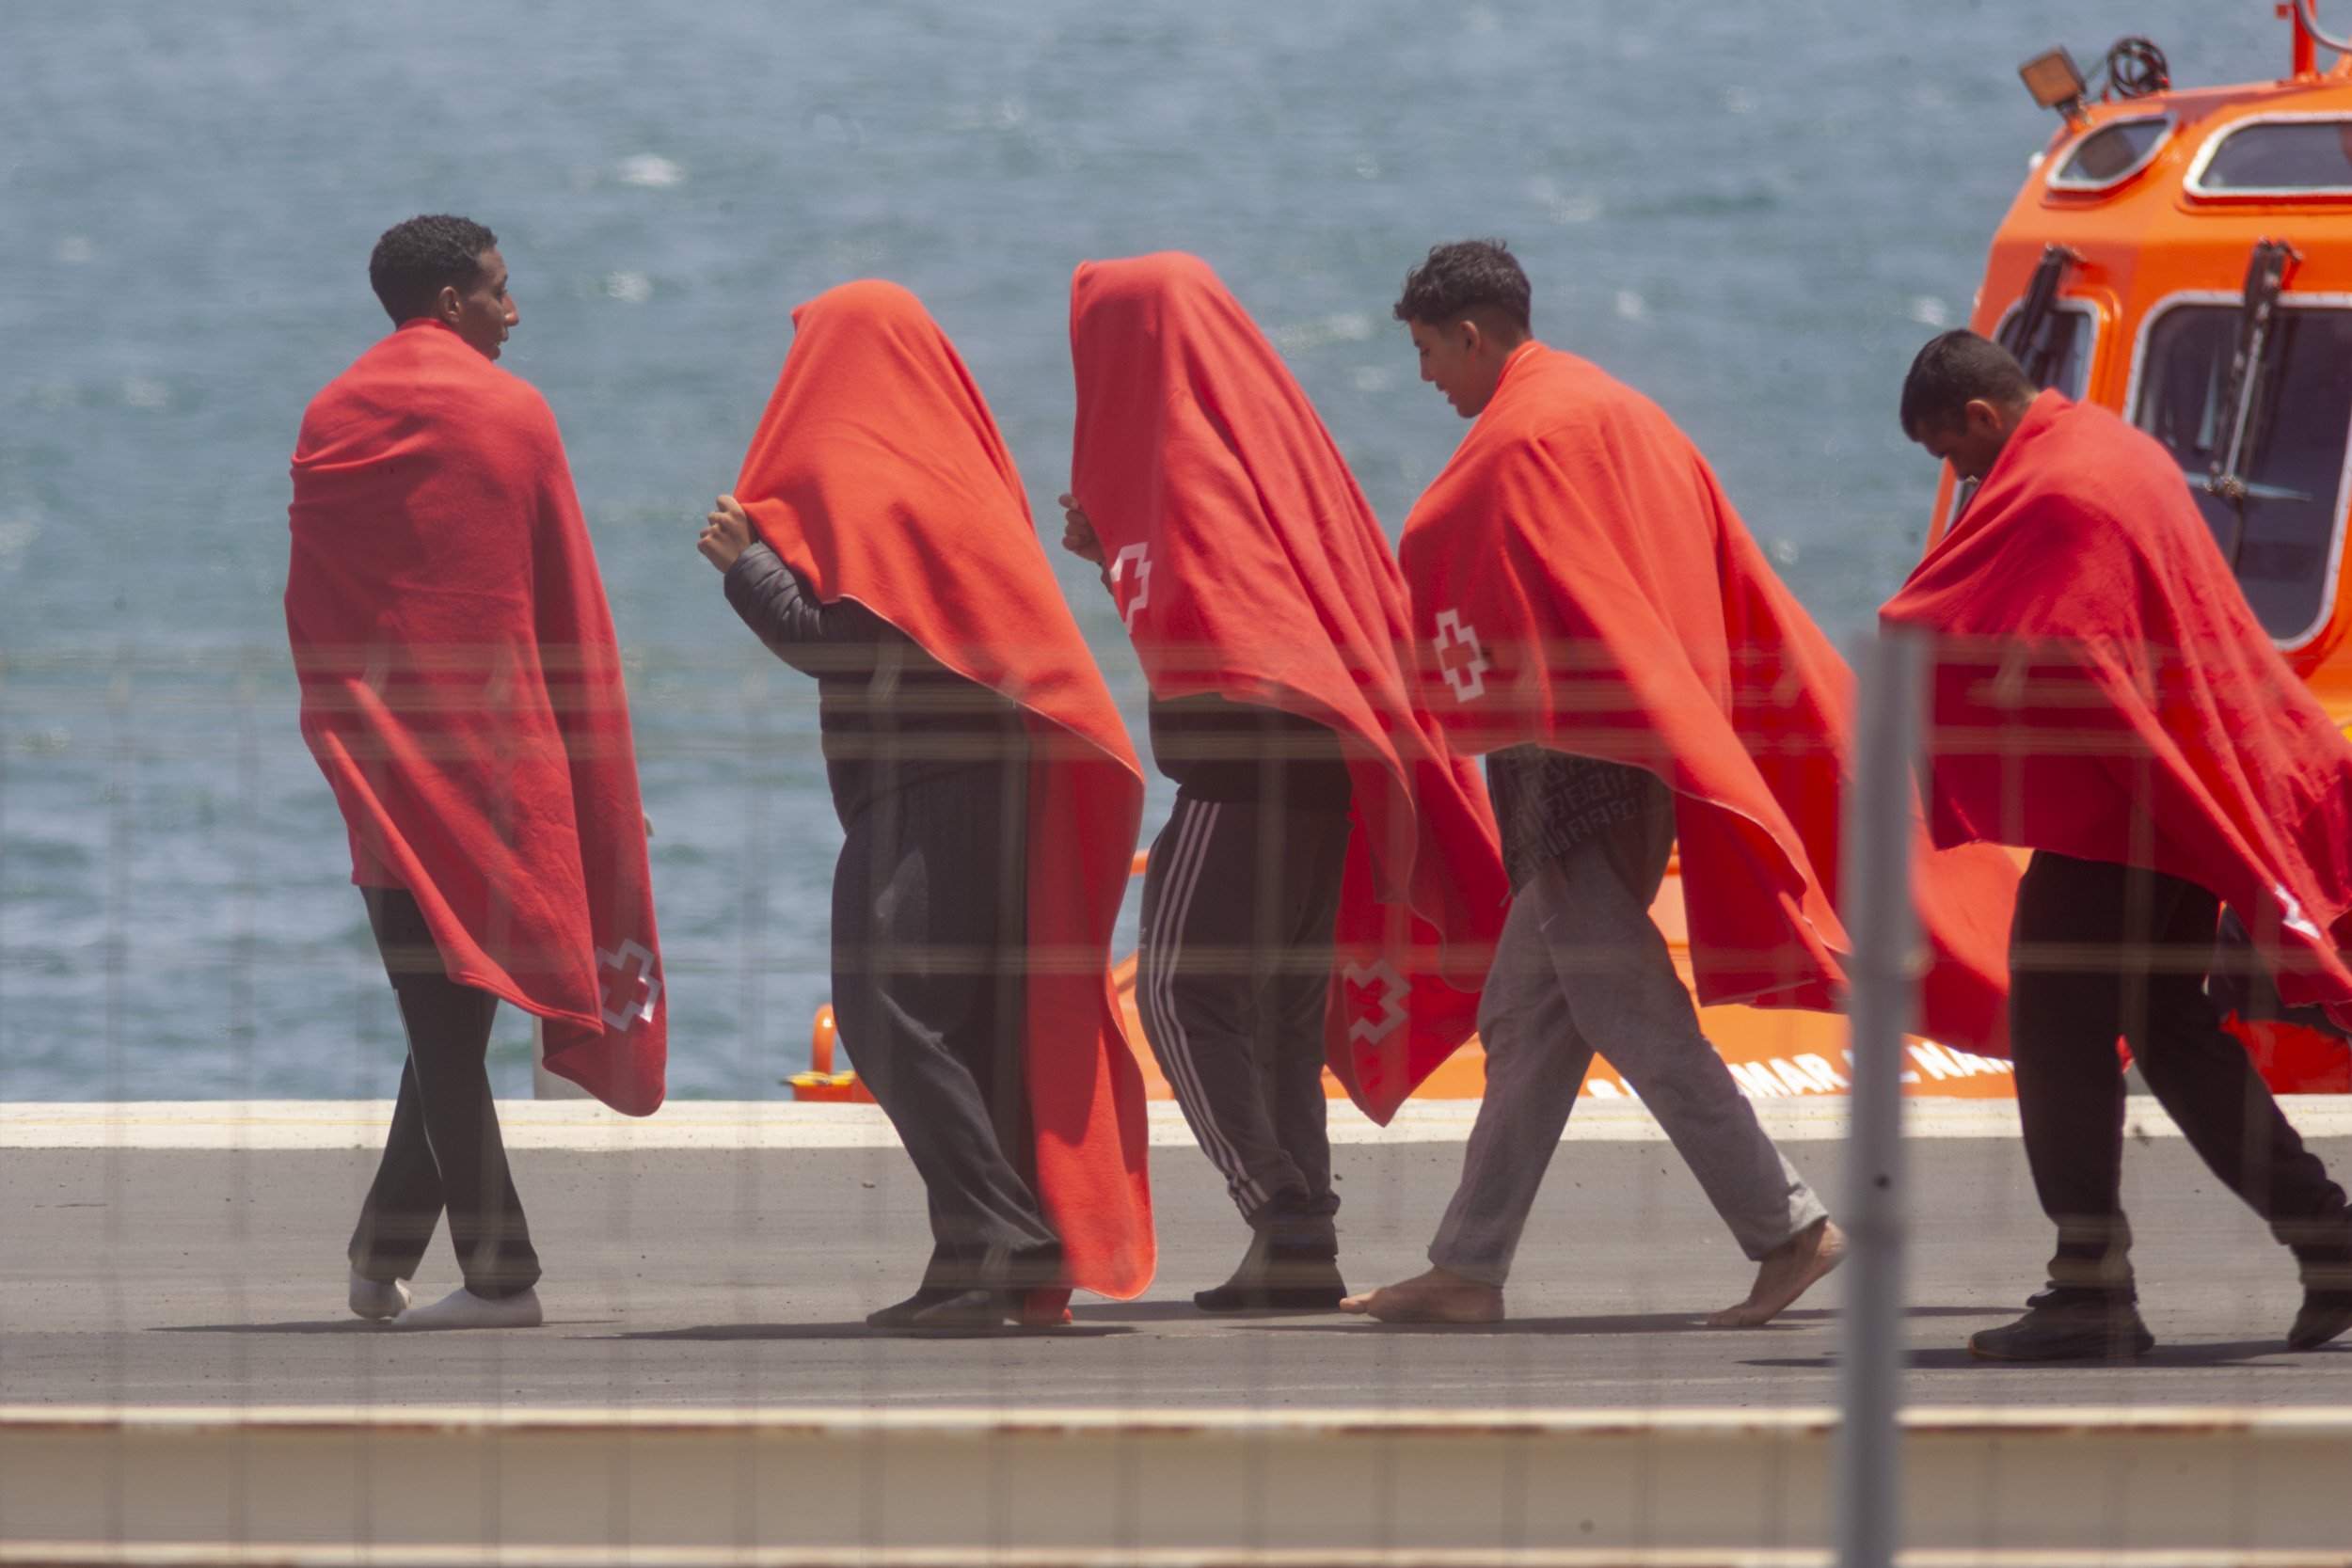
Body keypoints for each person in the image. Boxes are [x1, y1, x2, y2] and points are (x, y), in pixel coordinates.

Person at [1344, 240, 2017, 1326]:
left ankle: (1786, 1226)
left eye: (1428, 352)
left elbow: (1432, 533)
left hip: (1574, 770)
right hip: (1638, 742)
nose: (1427, 377)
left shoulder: (1522, 433)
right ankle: (1468, 1264)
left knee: (1633, 1013)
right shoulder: (1618, 408)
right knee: (1525, 1018)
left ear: (1473, 335)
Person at [1883, 329, 2352, 1358]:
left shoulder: (2057, 487)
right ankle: (2329, 1240)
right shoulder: (2106, 443)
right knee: (2167, 1022)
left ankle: (2088, 1288)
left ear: (1978, 417)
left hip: (2135, 804)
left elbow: (2068, 646)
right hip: (2175, 787)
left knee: (2052, 1016)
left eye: (1953, 456)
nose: (1960, 478)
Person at [705, 279, 1154, 1331]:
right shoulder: (941, 463)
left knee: (886, 1007)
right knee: (972, 1020)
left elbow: (846, 641)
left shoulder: (874, 477)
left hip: (931, 782)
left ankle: (1005, 1233)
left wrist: (747, 567)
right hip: (991, 777)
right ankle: (974, 1257)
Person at [1062, 252, 1507, 1312]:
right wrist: (1109, 548)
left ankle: (1285, 1210)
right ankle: (1300, 1233)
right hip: (1316, 766)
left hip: (1242, 768)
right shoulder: (1251, 431)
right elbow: (1235, 589)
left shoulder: (1181, 447)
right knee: (1271, 1010)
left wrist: (1121, 541)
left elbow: (1214, 608)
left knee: (1174, 993)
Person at [287, 214, 667, 1331]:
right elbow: (562, 597)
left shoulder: (329, 414)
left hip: (387, 766)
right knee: (447, 1020)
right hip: (502, 768)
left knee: (440, 1016)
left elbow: (319, 609)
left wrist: (354, 738)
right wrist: (592, 755)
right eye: (499, 290)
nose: (514, 309)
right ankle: (499, 1274)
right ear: (450, 300)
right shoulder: (514, 410)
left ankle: (392, 1255)